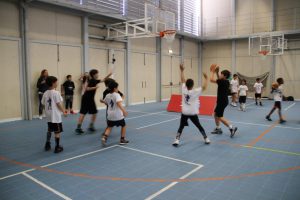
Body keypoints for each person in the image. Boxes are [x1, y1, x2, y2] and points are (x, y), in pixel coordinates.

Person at [173, 64, 210, 146]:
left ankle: (176, 140)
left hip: (185, 112)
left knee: (181, 127)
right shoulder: (195, 92)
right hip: (192, 113)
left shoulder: (184, 89)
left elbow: (182, 80)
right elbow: (204, 87)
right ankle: (206, 138)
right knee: (199, 126)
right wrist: (206, 78)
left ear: (186, 85)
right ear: (193, 85)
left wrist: (182, 70)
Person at [75, 69, 112, 134]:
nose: (98, 75)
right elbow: (87, 88)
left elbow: (103, 80)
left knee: (94, 112)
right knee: (83, 113)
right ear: (94, 74)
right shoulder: (92, 80)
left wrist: (109, 75)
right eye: (97, 73)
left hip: (90, 99)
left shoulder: (94, 80)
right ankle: (78, 127)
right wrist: (95, 87)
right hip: (86, 98)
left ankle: (91, 126)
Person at [210, 64, 238, 138]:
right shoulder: (226, 81)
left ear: (225, 76)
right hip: (223, 101)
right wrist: (217, 72)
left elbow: (211, 79)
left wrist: (212, 71)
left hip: (222, 101)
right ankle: (218, 128)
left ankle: (231, 128)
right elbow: (219, 78)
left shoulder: (221, 82)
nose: (220, 75)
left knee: (219, 116)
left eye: (221, 74)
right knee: (216, 114)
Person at [41, 76, 66, 154]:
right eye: (56, 82)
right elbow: (58, 103)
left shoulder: (45, 93)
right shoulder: (56, 93)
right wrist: (63, 111)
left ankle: (47, 144)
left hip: (49, 115)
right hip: (55, 116)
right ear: (53, 83)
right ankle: (57, 147)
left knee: (49, 129)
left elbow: (43, 103)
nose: (57, 83)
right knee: (57, 132)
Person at [102, 81, 129, 146]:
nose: (117, 89)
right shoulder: (117, 95)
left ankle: (104, 137)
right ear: (114, 88)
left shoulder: (107, 95)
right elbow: (118, 103)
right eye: (117, 88)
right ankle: (122, 139)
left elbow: (106, 103)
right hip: (117, 115)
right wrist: (124, 111)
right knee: (123, 125)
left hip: (110, 115)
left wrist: (101, 101)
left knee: (109, 127)